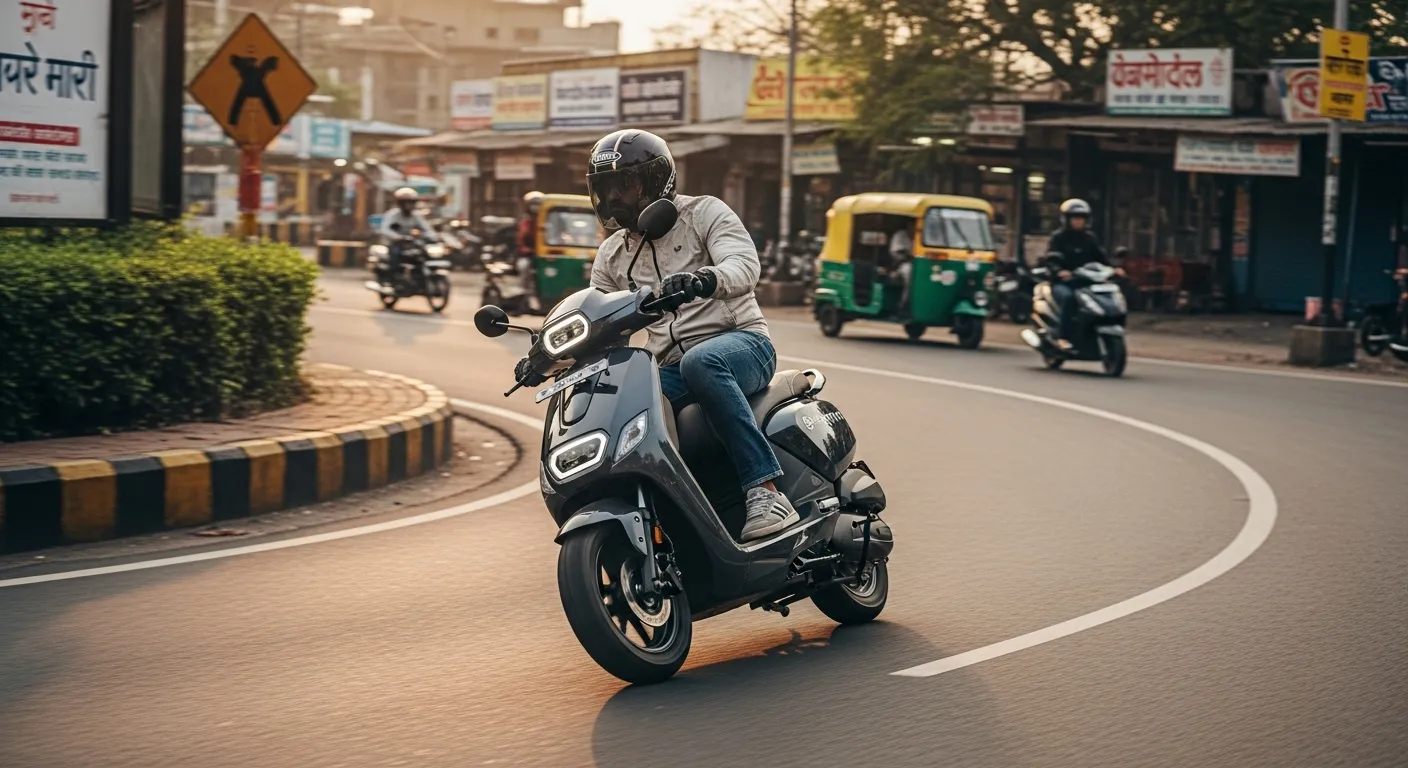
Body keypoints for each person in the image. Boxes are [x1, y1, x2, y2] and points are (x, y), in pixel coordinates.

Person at [521, 128, 796, 542]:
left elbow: (744, 266)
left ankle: (765, 489)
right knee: (621, 401)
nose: (614, 198)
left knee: (702, 361)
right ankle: (672, 516)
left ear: (654, 181)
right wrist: (544, 357)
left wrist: (705, 280)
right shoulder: (613, 253)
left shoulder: (705, 214)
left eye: (624, 185)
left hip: (742, 343)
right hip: (669, 364)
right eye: (606, 188)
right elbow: (596, 322)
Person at [1044, 198, 1114, 349]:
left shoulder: (1090, 238)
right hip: (1063, 283)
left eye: (1081, 218)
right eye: (1075, 218)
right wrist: (1060, 271)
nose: (1078, 222)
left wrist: (1113, 269)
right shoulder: (1058, 238)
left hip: (1086, 281)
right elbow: (1050, 259)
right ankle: (1063, 337)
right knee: (1070, 298)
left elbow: (1101, 257)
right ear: (1066, 220)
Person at [378, 187, 435, 276]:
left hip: (413, 243)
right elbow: (385, 229)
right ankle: (394, 277)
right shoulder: (393, 215)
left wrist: (432, 236)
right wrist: (396, 237)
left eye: (411, 202)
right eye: (405, 202)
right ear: (399, 203)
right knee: (395, 255)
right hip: (396, 243)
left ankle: (420, 275)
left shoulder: (416, 215)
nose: (408, 205)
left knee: (424, 254)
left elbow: (427, 228)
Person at [517, 191, 544, 298]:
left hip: (543, 254)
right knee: (524, 266)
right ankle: (523, 292)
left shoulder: (548, 219)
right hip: (527, 255)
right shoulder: (525, 222)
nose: (535, 207)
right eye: (533, 204)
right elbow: (520, 240)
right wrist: (527, 250)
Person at [889, 225, 915, 315]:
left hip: (917, 264)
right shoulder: (900, 235)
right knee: (909, 274)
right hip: (900, 265)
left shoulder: (920, 235)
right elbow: (897, 253)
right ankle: (903, 305)